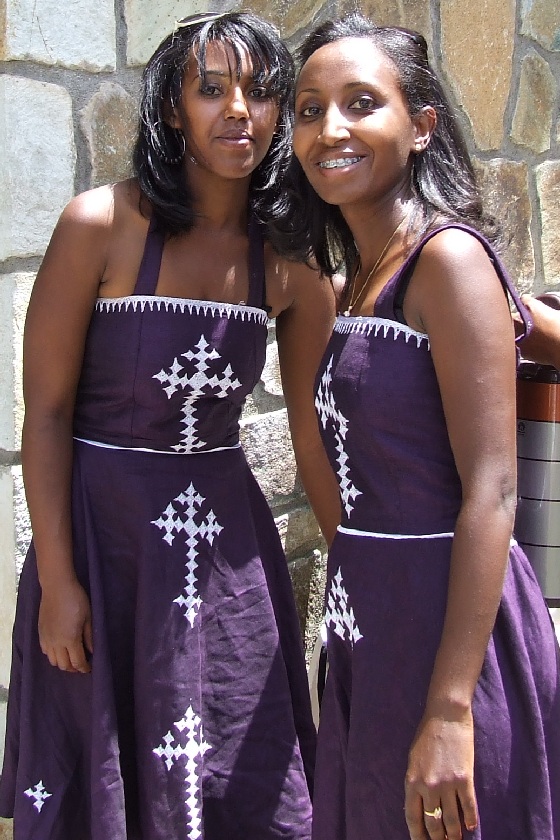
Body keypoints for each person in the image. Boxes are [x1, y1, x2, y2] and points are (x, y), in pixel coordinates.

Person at [0, 12, 340, 839]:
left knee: (239, 766)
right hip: (100, 539)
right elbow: (42, 413)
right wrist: (57, 578)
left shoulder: (288, 263)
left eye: (262, 93)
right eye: (212, 90)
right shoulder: (100, 226)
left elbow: (313, 434)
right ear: (171, 109)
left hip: (224, 556)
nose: (241, 113)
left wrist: (356, 564)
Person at [275, 13, 560, 840]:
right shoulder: (361, 276)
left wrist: (448, 710)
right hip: (375, 627)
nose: (330, 128)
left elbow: (493, 489)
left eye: (362, 103)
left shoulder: (447, 261)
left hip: (453, 636)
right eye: (309, 107)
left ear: (422, 125)